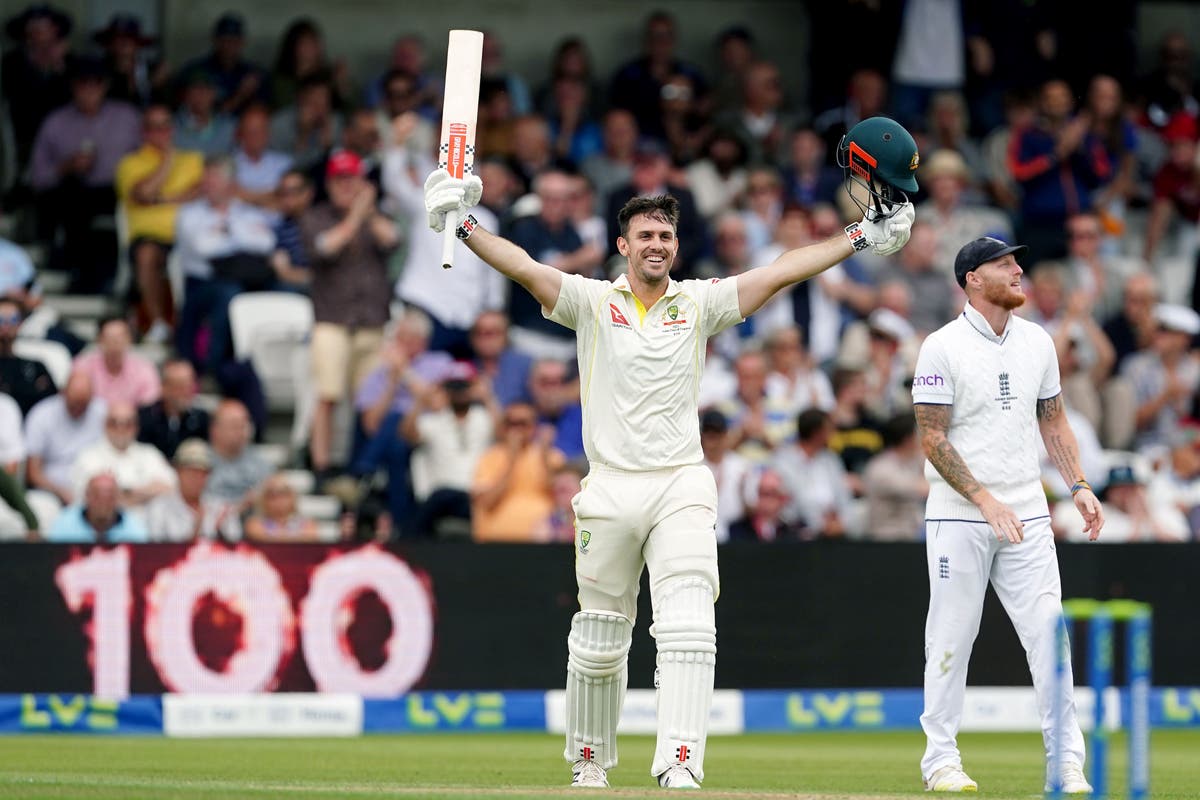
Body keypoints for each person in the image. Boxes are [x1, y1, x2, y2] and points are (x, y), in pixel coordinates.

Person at [423, 115, 917, 788]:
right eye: (646, 235)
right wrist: (467, 223)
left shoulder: (700, 303)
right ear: (623, 244)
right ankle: (590, 761)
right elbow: (527, 267)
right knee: (598, 640)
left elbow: (779, 272)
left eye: (667, 235)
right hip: (609, 487)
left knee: (688, 629)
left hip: (682, 482)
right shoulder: (592, 302)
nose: (657, 245)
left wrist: (857, 237)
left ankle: (680, 762)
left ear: (677, 246)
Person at [911, 236, 1104, 793]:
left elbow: (1054, 421)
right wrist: (983, 499)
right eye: (1004, 264)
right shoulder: (941, 346)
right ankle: (941, 762)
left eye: (1015, 261)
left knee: (1050, 636)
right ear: (973, 278)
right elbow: (932, 437)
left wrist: (1079, 485)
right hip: (958, 516)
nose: (1019, 270)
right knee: (950, 637)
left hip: (1028, 513)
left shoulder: (1038, 341)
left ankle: (1067, 763)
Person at [115, 104, 204, 342]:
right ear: (144, 132)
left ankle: (195, 330)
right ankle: (157, 324)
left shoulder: (193, 159)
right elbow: (142, 193)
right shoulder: (130, 163)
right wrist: (166, 162)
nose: (161, 132)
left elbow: (202, 191)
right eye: (154, 127)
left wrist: (161, 199)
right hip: (151, 236)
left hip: (194, 235)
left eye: (166, 126)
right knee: (146, 255)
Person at [142, 438, 240, 542]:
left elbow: (237, 549)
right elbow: (156, 553)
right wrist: (195, 532)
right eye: (191, 472)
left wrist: (221, 535)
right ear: (178, 472)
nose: (196, 479)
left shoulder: (221, 507)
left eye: (202, 473)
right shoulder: (159, 508)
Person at [72, 315, 161, 407]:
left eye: (120, 337)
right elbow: (75, 398)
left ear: (129, 339)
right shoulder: (83, 365)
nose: (115, 342)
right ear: (99, 340)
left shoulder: (144, 368)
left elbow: (150, 402)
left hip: (133, 419)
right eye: (110, 337)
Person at [137, 358, 210, 459]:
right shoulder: (145, 419)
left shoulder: (201, 420)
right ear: (164, 388)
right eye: (180, 386)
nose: (186, 392)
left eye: (189, 386)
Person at [46, 472, 149, 543]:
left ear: (118, 498)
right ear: (86, 496)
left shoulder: (135, 528)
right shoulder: (64, 524)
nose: (103, 502)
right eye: (97, 495)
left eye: (109, 496)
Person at [243, 473, 320, 543]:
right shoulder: (254, 524)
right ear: (264, 500)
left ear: (293, 497)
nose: (279, 500)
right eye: (273, 496)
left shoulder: (308, 524)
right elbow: (259, 538)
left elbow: (310, 539)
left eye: (284, 495)